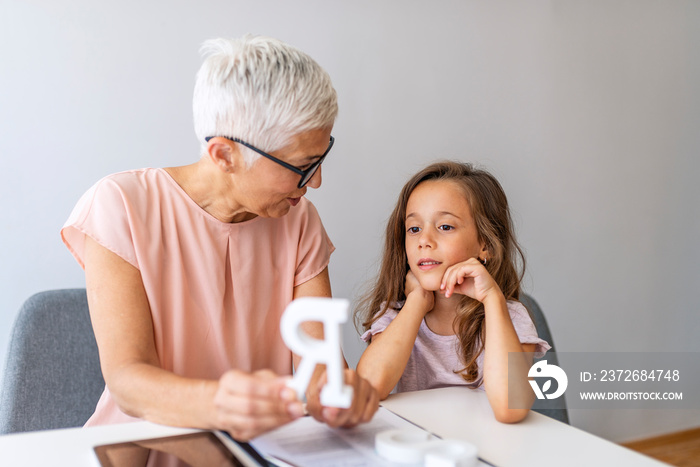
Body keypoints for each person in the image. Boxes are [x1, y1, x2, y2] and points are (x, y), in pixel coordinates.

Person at [61, 35, 378, 441]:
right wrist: (220, 406)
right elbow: (128, 382)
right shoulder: (120, 205)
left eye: (321, 158)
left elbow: (320, 368)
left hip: (263, 448)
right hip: (140, 447)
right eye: (302, 165)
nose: (316, 181)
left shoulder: (300, 222)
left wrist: (339, 394)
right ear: (224, 155)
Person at [355, 161, 550, 423]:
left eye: (445, 227)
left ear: (486, 244)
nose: (424, 240)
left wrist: (493, 300)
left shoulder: (511, 318)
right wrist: (416, 301)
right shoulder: (396, 316)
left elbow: (509, 410)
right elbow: (368, 386)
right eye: (414, 229)